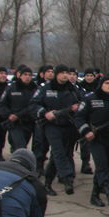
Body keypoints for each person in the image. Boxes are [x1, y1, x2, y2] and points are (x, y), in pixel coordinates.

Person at [30, 64, 81, 195]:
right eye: (62, 72)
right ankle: (67, 178)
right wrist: (44, 113)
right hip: (51, 125)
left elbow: (83, 102)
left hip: (69, 125)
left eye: (67, 73)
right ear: (56, 74)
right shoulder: (46, 88)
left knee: (58, 155)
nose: (65, 75)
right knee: (58, 151)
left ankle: (47, 183)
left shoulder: (73, 89)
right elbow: (33, 104)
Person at [75, 75, 109, 207]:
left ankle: (94, 196)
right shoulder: (90, 98)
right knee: (101, 165)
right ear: (101, 85)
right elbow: (79, 117)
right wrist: (86, 131)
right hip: (96, 138)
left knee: (106, 166)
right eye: (107, 83)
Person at [0, 65, 38, 151]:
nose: (27, 77)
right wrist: (8, 115)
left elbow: (35, 106)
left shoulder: (35, 89)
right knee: (21, 146)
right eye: (25, 74)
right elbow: (2, 104)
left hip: (29, 122)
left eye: (29, 75)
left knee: (23, 144)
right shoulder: (11, 88)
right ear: (20, 75)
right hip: (15, 123)